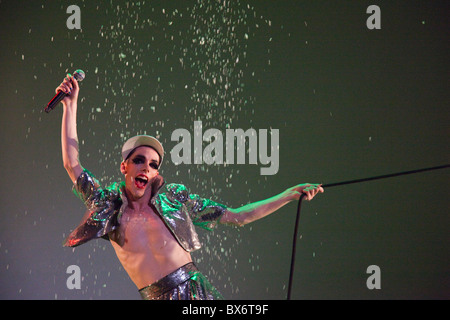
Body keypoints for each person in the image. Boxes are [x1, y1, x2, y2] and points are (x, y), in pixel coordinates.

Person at [57, 74, 324, 300]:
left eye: (153, 164)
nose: (146, 168)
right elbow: (72, 164)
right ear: (124, 166)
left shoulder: (174, 198)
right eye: (139, 160)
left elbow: (237, 216)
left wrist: (289, 195)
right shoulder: (108, 207)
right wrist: (71, 105)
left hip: (196, 293)